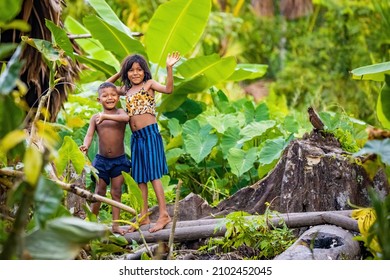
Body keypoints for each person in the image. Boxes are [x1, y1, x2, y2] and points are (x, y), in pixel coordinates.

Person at [107, 52, 181, 233]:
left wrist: (169, 68)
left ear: (144, 71)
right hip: (136, 137)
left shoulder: (149, 84)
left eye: (139, 70)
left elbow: (169, 89)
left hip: (150, 134)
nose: (135, 73)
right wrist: (119, 72)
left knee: (154, 175)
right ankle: (143, 215)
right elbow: (105, 87)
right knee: (140, 177)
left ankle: (163, 213)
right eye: (131, 70)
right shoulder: (125, 90)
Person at [79, 82, 131, 235]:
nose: (110, 98)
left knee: (116, 192)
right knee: (99, 191)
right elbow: (89, 135)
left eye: (113, 95)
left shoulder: (120, 112)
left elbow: (126, 118)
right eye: (105, 95)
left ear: (118, 97)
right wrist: (85, 146)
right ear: (98, 99)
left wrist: (106, 116)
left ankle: (115, 225)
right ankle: (92, 223)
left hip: (119, 160)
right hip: (101, 161)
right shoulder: (95, 118)